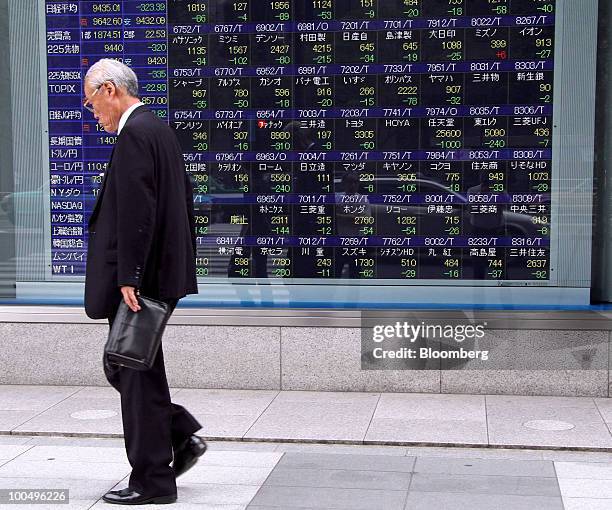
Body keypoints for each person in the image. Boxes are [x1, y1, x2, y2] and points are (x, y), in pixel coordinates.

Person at [83, 59, 205, 505]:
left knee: (130, 370)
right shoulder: (158, 129)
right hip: (158, 275)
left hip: (142, 281)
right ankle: (178, 436)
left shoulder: (135, 133)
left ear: (110, 90)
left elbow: (139, 209)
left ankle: (152, 479)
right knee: (131, 367)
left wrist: (129, 276)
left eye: (92, 100)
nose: (92, 111)